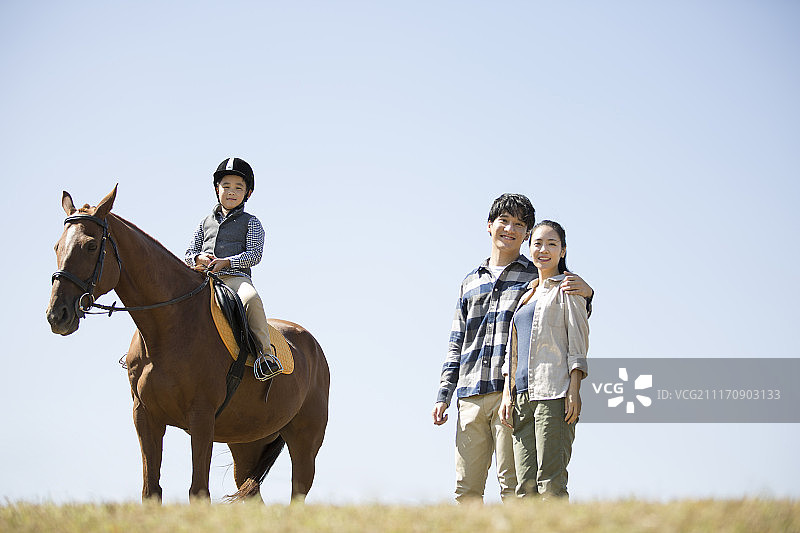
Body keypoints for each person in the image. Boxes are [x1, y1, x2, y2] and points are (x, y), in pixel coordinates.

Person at [432, 194, 593, 503]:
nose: (510, 229)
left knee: (515, 488)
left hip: (514, 393)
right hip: (469, 394)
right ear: (490, 226)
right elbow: (456, 342)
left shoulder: (535, 276)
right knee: (466, 490)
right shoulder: (469, 282)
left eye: (519, 225)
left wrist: (589, 294)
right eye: (503, 221)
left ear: (527, 233)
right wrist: (444, 394)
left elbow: (565, 311)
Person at [498, 220, 589, 500]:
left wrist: (574, 389)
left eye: (552, 244)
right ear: (529, 248)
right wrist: (506, 395)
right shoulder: (525, 297)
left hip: (554, 393)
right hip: (521, 398)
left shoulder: (569, 288)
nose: (544, 249)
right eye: (537, 243)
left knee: (550, 484)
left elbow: (578, 344)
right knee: (525, 488)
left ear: (563, 251)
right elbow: (511, 352)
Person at [185, 157, 282, 380]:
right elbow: (189, 253)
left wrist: (226, 262)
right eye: (226, 186)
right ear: (216, 189)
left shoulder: (252, 222)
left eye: (238, 187)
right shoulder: (204, 222)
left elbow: (254, 255)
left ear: (247, 194)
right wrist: (199, 258)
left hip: (234, 279)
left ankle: (266, 355)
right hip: (202, 279)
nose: (231, 191)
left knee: (251, 299)